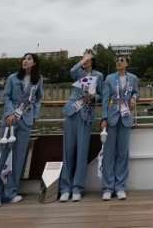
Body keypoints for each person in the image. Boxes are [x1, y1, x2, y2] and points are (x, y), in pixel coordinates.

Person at [0, 53, 43, 208]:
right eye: (24, 58)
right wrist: (11, 113)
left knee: (19, 158)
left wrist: (34, 115)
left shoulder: (38, 79)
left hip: (26, 121)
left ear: (35, 63)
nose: (25, 61)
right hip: (10, 120)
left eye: (29, 59)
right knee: (1, 156)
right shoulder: (12, 78)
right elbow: (6, 97)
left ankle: (10, 192)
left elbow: (38, 99)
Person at [59, 50, 103, 202]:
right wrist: (82, 60)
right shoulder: (78, 72)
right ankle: (65, 187)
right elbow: (72, 71)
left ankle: (77, 187)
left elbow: (102, 95)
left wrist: (93, 97)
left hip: (86, 114)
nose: (87, 60)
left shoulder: (99, 76)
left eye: (90, 57)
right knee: (68, 151)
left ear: (94, 60)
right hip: (72, 112)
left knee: (82, 152)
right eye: (85, 57)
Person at [100, 55, 139, 200]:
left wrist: (134, 98)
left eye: (122, 60)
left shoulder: (133, 78)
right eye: (117, 60)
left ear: (127, 64)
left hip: (126, 118)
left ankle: (120, 187)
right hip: (112, 117)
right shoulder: (109, 78)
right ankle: (108, 187)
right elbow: (105, 99)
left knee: (123, 153)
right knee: (109, 154)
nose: (118, 62)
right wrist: (104, 117)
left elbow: (136, 92)